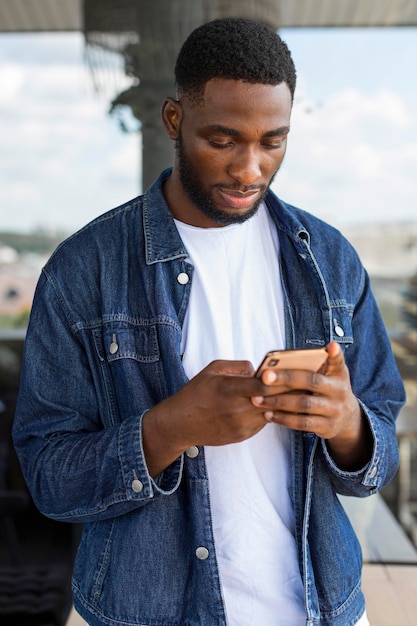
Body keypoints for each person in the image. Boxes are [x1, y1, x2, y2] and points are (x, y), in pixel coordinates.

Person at [13, 17, 405, 626]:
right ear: (174, 121)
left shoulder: (329, 260)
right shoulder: (83, 270)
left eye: (272, 141)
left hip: (319, 608)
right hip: (146, 614)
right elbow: (47, 476)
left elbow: (377, 446)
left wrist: (349, 426)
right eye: (223, 140)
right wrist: (167, 429)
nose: (250, 168)